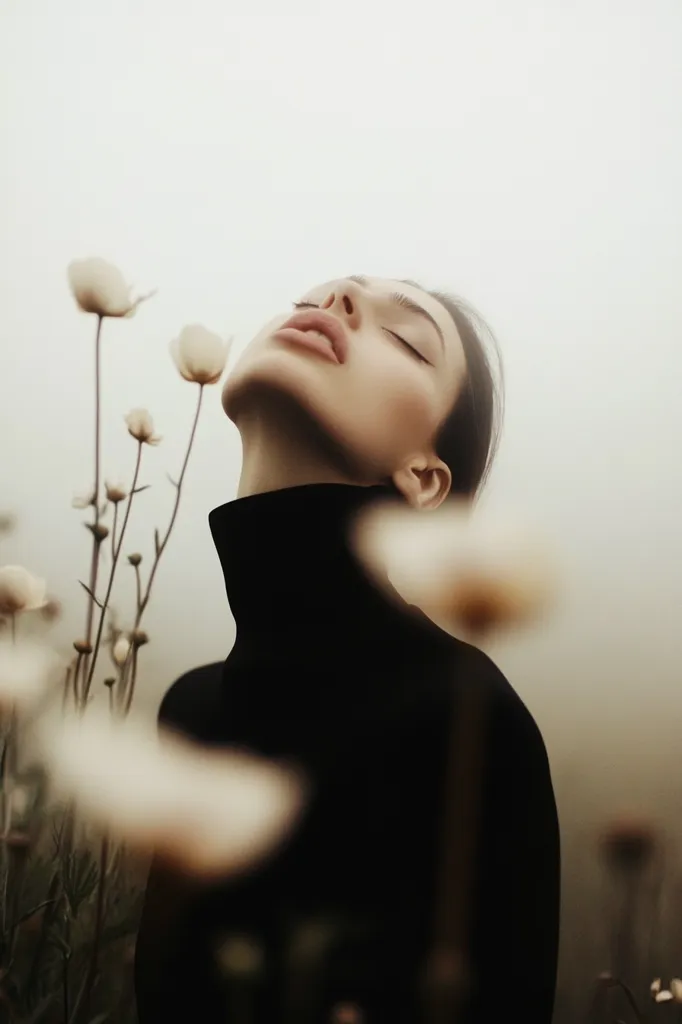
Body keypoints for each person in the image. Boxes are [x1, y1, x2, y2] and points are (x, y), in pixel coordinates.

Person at [134, 275, 561, 1023]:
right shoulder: (190, 708)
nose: (334, 306)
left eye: (405, 338)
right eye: (314, 297)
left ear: (424, 479)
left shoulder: (467, 721)